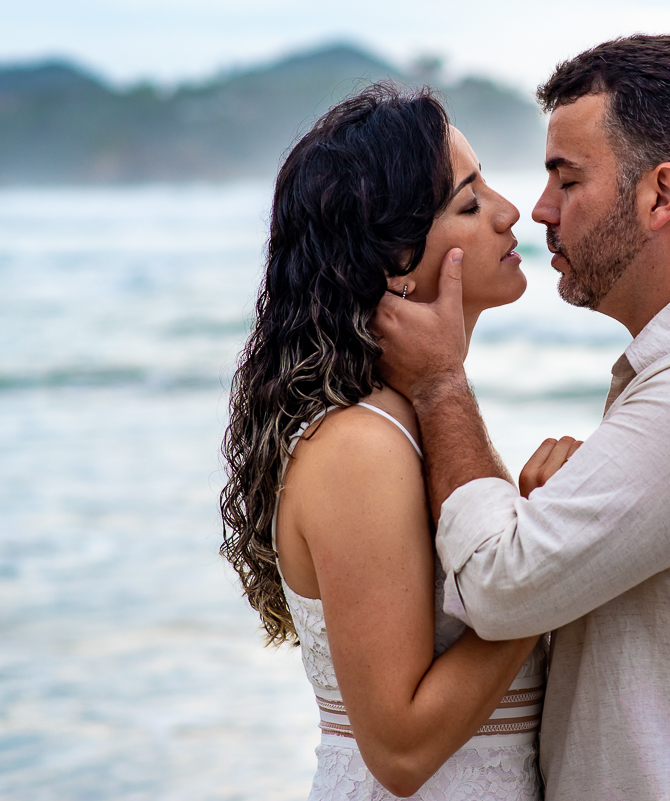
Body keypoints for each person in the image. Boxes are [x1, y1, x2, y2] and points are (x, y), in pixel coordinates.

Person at [372, 35, 670, 801]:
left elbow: (500, 586)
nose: (539, 209)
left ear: (660, 195)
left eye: (567, 179)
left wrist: (440, 386)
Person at [219, 84, 566, 800]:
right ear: (395, 264)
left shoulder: (410, 424)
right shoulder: (362, 448)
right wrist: (548, 561)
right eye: (469, 204)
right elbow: (401, 749)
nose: (510, 212)